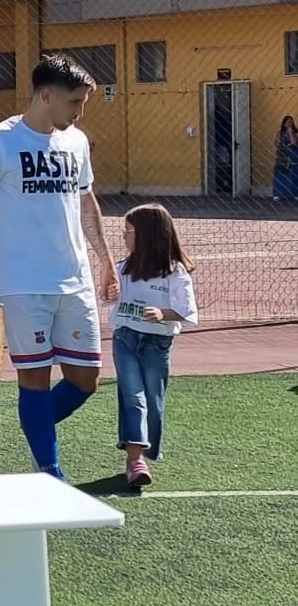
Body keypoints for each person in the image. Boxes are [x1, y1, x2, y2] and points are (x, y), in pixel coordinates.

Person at [0, 54, 119, 480]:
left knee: (86, 379)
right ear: (46, 95)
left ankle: (35, 427)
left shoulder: (76, 142)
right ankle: (49, 470)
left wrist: (105, 261)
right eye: (74, 102)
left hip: (75, 278)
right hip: (24, 282)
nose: (79, 111)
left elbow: (86, 202)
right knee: (34, 380)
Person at [112, 204, 198, 487]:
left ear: (147, 236)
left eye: (129, 231)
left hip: (157, 345)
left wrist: (163, 314)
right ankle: (135, 460)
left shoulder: (176, 274)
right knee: (132, 396)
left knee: (153, 400)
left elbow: (186, 311)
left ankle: (148, 451)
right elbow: (108, 295)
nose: (124, 237)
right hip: (125, 339)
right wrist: (109, 290)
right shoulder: (123, 268)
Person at [275, 115, 298, 199]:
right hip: (283, 156)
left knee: (293, 174)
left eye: (290, 122)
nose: (289, 124)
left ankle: (294, 194)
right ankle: (279, 194)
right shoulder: (280, 132)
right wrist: (279, 141)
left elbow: (294, 143)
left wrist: (290, 131)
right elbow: (277, 144)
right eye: (287, 122)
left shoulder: (295, 132)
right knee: (281, 174)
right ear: (283, 123)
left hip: (293, 155)